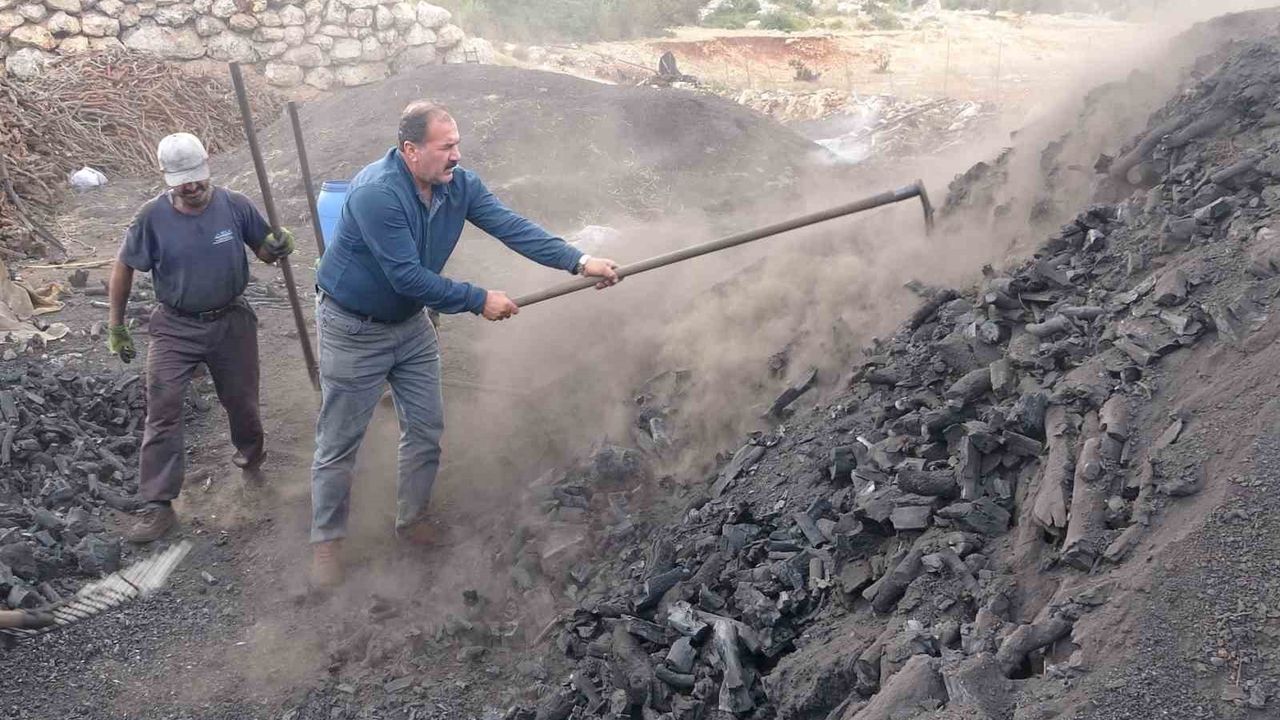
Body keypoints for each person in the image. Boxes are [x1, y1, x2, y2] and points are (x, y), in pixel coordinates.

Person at [309, 101, 620, 586]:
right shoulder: (376, 194)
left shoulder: (458, 186)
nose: (456, 155)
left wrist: (579, 262)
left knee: (426, 427)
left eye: (457, 144)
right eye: (445, 147)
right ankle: (327, 542)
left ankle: (412, 519)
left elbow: (512, 227)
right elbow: (406, 276)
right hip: (354, 328)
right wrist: (478, 300)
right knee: (340, 440)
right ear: (411, 150)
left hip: (411, 324)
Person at [106, 132, 295, 543]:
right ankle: (159, 504)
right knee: (163, 409)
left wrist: (277, 245)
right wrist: (116, 325)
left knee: (242, 401)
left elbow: (264, 251)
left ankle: (251, 462)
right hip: (175, 326)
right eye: (181, 181)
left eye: (196, 177)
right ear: (167, 178)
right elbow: (124, 267)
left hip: (231, 321)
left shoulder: (235, 205)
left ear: (207, 167)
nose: (191, 187)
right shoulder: (151, 217)